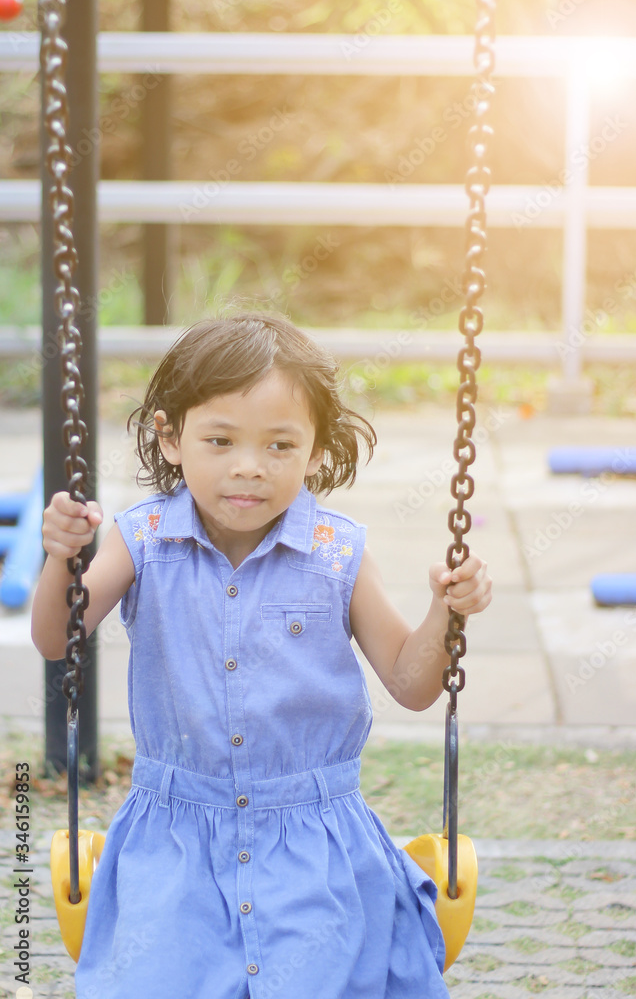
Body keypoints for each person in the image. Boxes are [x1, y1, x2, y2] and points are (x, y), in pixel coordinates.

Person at [32, 312, 492, 999]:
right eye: (220, 440)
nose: (248, 466)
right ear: (172, 437)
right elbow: (55, 640)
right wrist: (62, 558)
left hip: (316, 852)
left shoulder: (338, 552)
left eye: (280, 445)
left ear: (313, 451)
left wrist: (444, 611)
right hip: (173, 846)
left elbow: (411, 681)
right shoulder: (141, 539)